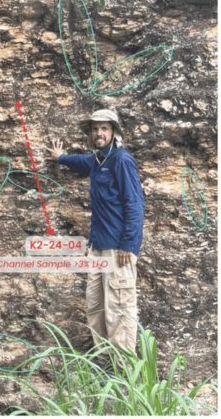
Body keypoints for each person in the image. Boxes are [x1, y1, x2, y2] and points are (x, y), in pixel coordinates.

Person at [46, 109, 144, 360]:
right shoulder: (96, 160)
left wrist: (129, 245)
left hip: (117, 250)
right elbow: (79, 162)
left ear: (113, 132)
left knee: (119, 310)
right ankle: (105, 365)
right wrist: (60, 157)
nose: (99, 133)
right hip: (97, 248)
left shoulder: (121, 160)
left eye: (104, 128)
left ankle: (125, 374)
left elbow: (135, 204)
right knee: (96, 308)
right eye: (94, 129)